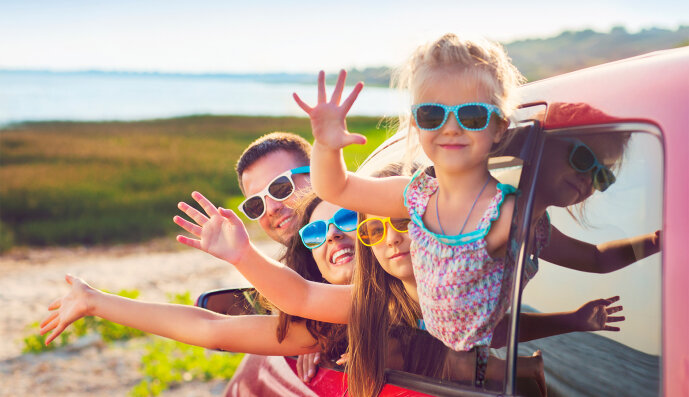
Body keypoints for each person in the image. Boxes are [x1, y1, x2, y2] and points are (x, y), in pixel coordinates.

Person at [290, 33, 654, 386]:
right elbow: (335, 187)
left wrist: (659, 239)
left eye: (473, 116)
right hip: (434, 354)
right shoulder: (415, 195)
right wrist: (325, 145)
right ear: (417, 124)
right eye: (433, 115)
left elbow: (597, 258)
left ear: (499, 127)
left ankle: (520, 370)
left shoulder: (514, 216)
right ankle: (522, 369)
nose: (452, 127)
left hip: (467, 366)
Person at [176, 163, 624, 397]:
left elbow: (494, 327)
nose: (390, 240)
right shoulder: (369, 307)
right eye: (374, 230)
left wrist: (572, 319)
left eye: (350, 223)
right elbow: (279, 302)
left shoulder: (455, 276)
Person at [40, 194, 356, 392]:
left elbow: (300, 295)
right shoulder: (320, 329)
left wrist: (243, 255)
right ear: (313, 265)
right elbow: (211, 329)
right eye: (315, 232)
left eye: (347, 218)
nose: (332, 234)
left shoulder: (395, 290)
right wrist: (96, 302)